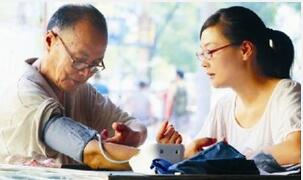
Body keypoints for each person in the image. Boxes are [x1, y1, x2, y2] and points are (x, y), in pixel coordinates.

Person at [0, 4, 147, 170]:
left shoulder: (80, 91)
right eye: (78, 61)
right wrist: (156, 160)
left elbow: (133, 124)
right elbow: (93, 153)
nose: (85, 74)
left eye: (95, 64)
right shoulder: (24, 97)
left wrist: (133, 137)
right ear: (50, 41)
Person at [157, 6, 300, 166]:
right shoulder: (223, 107)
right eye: (202, 54)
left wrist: (235, 163)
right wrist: (178, 154)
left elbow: (297, 148)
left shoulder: (286, 92)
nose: (204, 63)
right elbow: (201, 154)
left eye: (210, 51)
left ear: (245, 49)